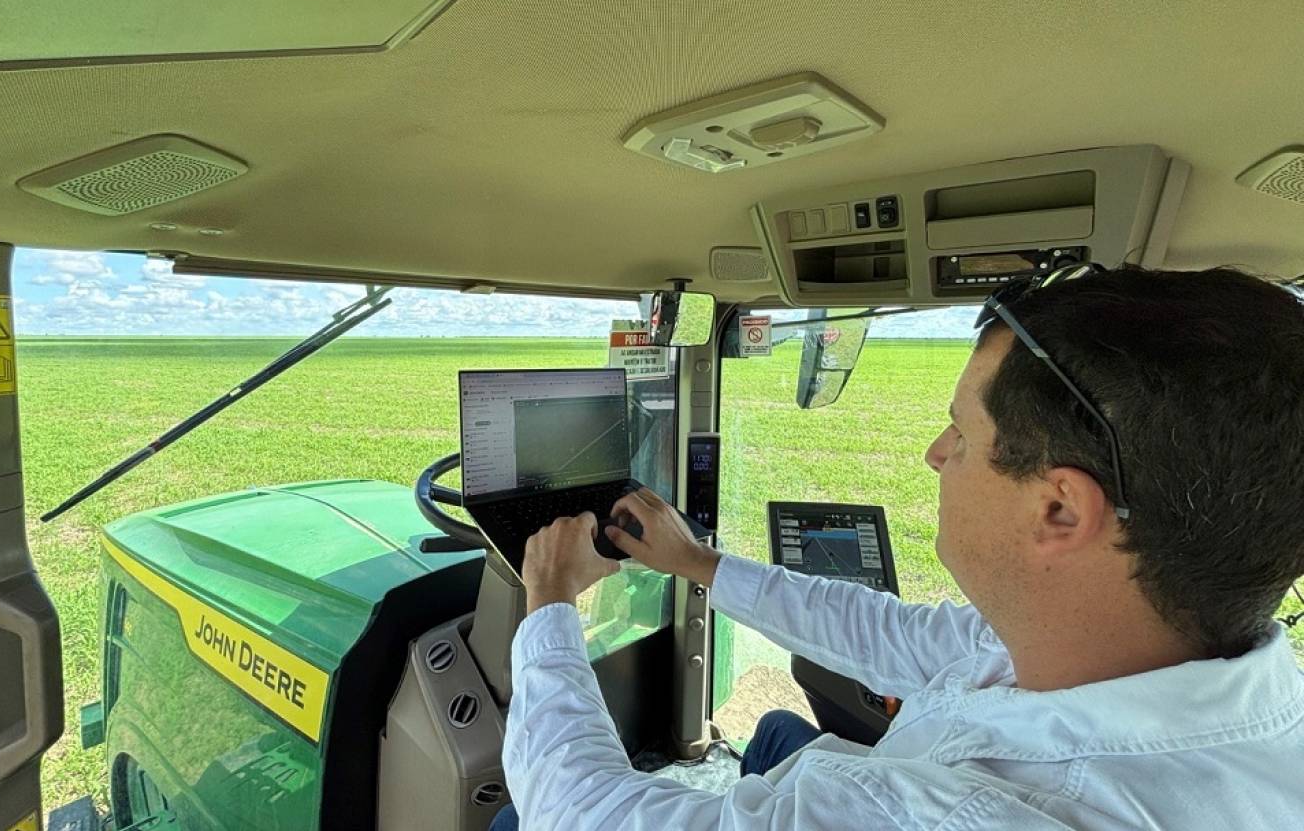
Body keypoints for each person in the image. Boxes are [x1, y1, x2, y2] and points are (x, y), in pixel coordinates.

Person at [491, 265, 1304, 830]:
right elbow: (892, 633)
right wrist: (699, 563)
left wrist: (549, 600)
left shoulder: (953, 812)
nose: (936, 453)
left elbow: (581, 812)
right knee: (773, 731)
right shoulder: (1131, 653)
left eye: (964, 433)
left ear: (1060, 508)